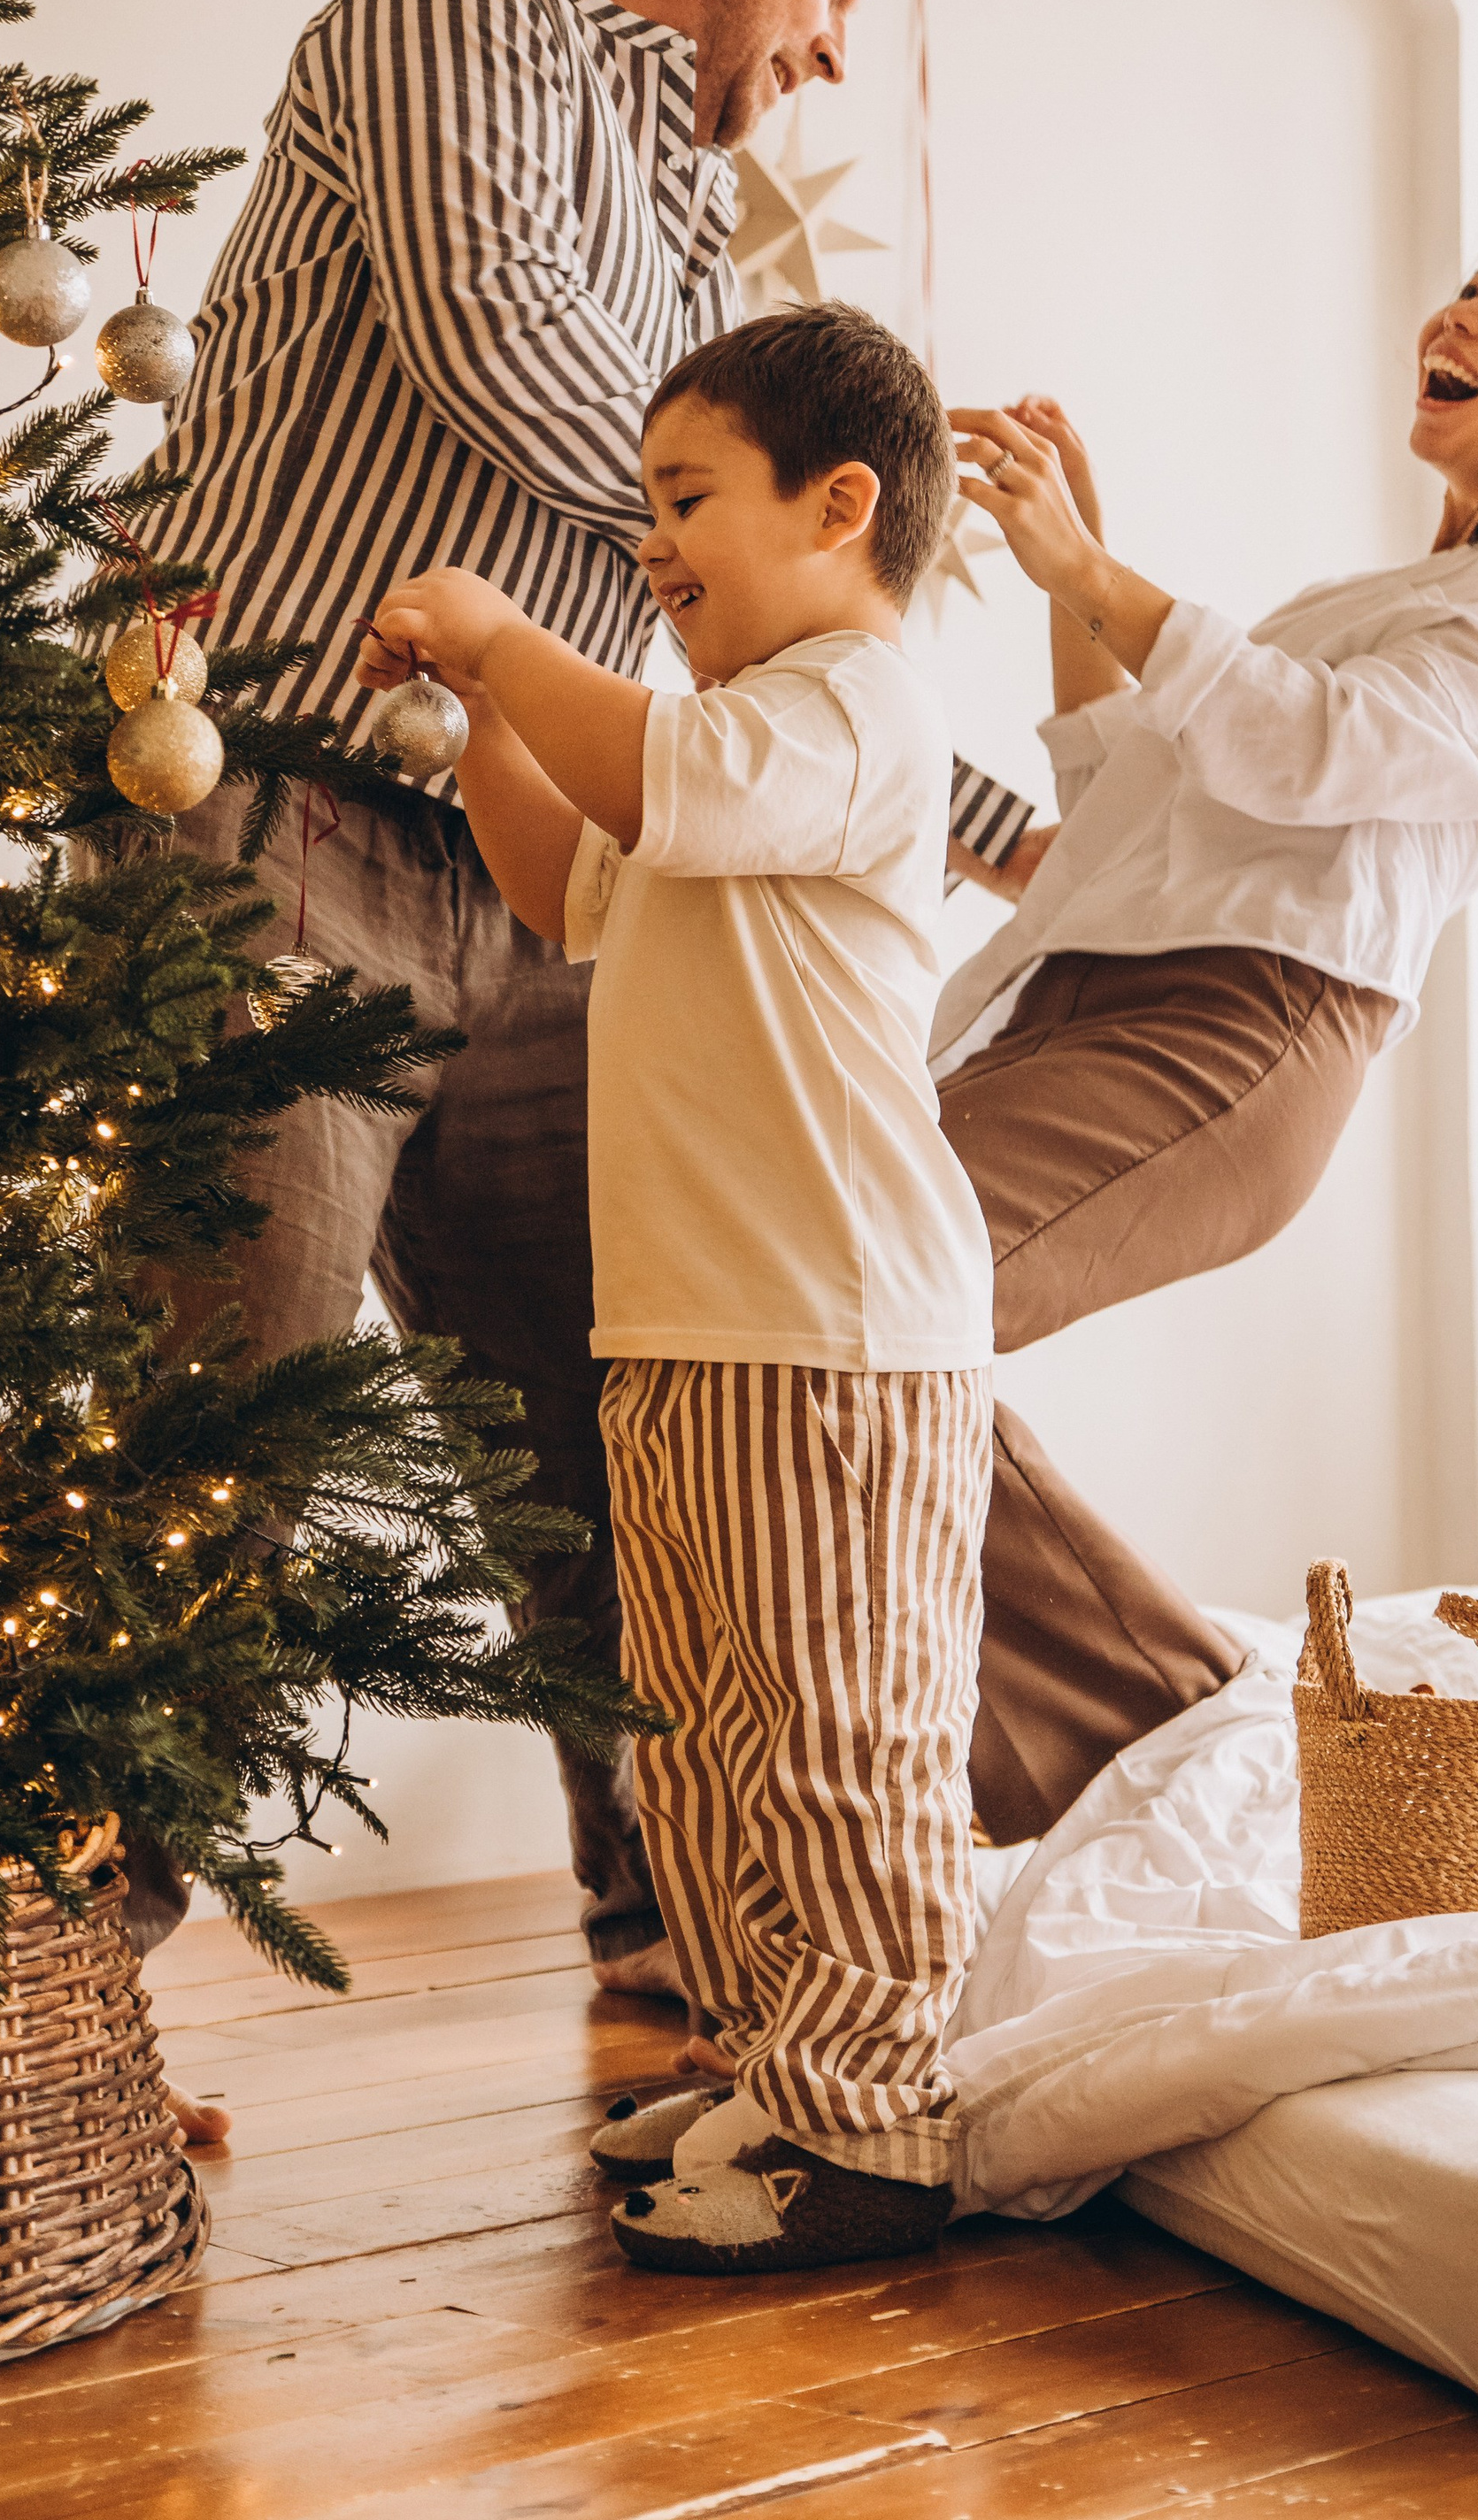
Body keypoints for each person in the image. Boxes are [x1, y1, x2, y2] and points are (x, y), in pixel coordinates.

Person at [125, 0, 1037, 2004]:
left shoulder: (692, 228)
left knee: (590, 1406)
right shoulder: (459, 10)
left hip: (526, 872)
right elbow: (498, 345)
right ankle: (62, 2004)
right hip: (282, 823)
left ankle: (703, 1929)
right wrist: (738, 510)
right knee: (230, 1406)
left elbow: (731, 643)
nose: (830, 39)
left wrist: (980, 797)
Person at [928, 206, 1478, 1832]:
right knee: (832, 1321)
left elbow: (1306, 748)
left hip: (1231, 1036)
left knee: (849, 1298)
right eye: (1468, 282)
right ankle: (1169, 1733)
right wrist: (1078, 580)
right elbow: (1114, 817)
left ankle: (1180, 1734)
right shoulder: (1425, 588)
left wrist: (1096, 572)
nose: (1456, 313)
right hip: (1108, 1001)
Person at [357, 303, 996, 2277]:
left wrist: (490, 636)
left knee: (831, 1729)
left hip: (833, 1330)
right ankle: (770, 2056)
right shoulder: (729, 762)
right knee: (704, 1735)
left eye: (682, 498)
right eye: (643, 501)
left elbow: (677, 777)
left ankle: (878, 2108)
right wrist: (474, 734)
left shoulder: (854, 705)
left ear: (839, 505)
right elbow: (573, 878)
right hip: (689, 1327)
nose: (650, 540)